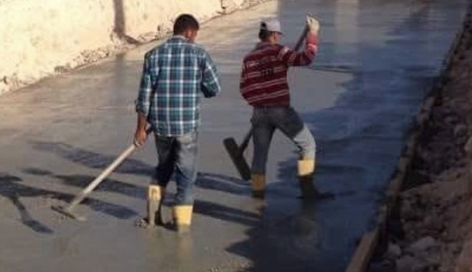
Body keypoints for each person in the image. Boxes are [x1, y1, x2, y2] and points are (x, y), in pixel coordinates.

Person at [134, 14, 221, 233]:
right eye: (195, 34)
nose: (195, 38)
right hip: (186, 127)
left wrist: (140, 129)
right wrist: (197, 86)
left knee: (163, 169)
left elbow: (144, 97)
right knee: (186, 176)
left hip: (161, 127)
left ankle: (153, 218)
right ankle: (181, 227)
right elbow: (214, 88)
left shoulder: (153, 55)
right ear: (189, 32)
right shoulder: (199, 54)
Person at [239, 17, 331, 200]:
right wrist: (312, 35)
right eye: (278, 35)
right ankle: (307, 190)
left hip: (258, 112)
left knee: (259, 155)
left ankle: (258, 193)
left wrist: (260, 101)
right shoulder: (279, 52)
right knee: (308, 145)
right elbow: (307, 58)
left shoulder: (249, 58)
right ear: (273, 35)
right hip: (280, 110)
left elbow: (244, 88)